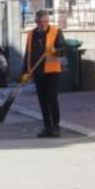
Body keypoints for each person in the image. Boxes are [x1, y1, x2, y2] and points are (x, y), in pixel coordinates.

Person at [23, 9, 66, 138]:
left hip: (52, 71)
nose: (43, 24)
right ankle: (47, 127)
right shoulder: (31, 34)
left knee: (52, 98)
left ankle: (56, 126)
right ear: (36, 22)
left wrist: (54, 50)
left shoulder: (56, 32)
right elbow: (28, 54)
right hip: (38, 72)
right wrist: (25, 72)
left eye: (46, 21)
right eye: (41, 22)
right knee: (42, 100)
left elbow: (63, 49)